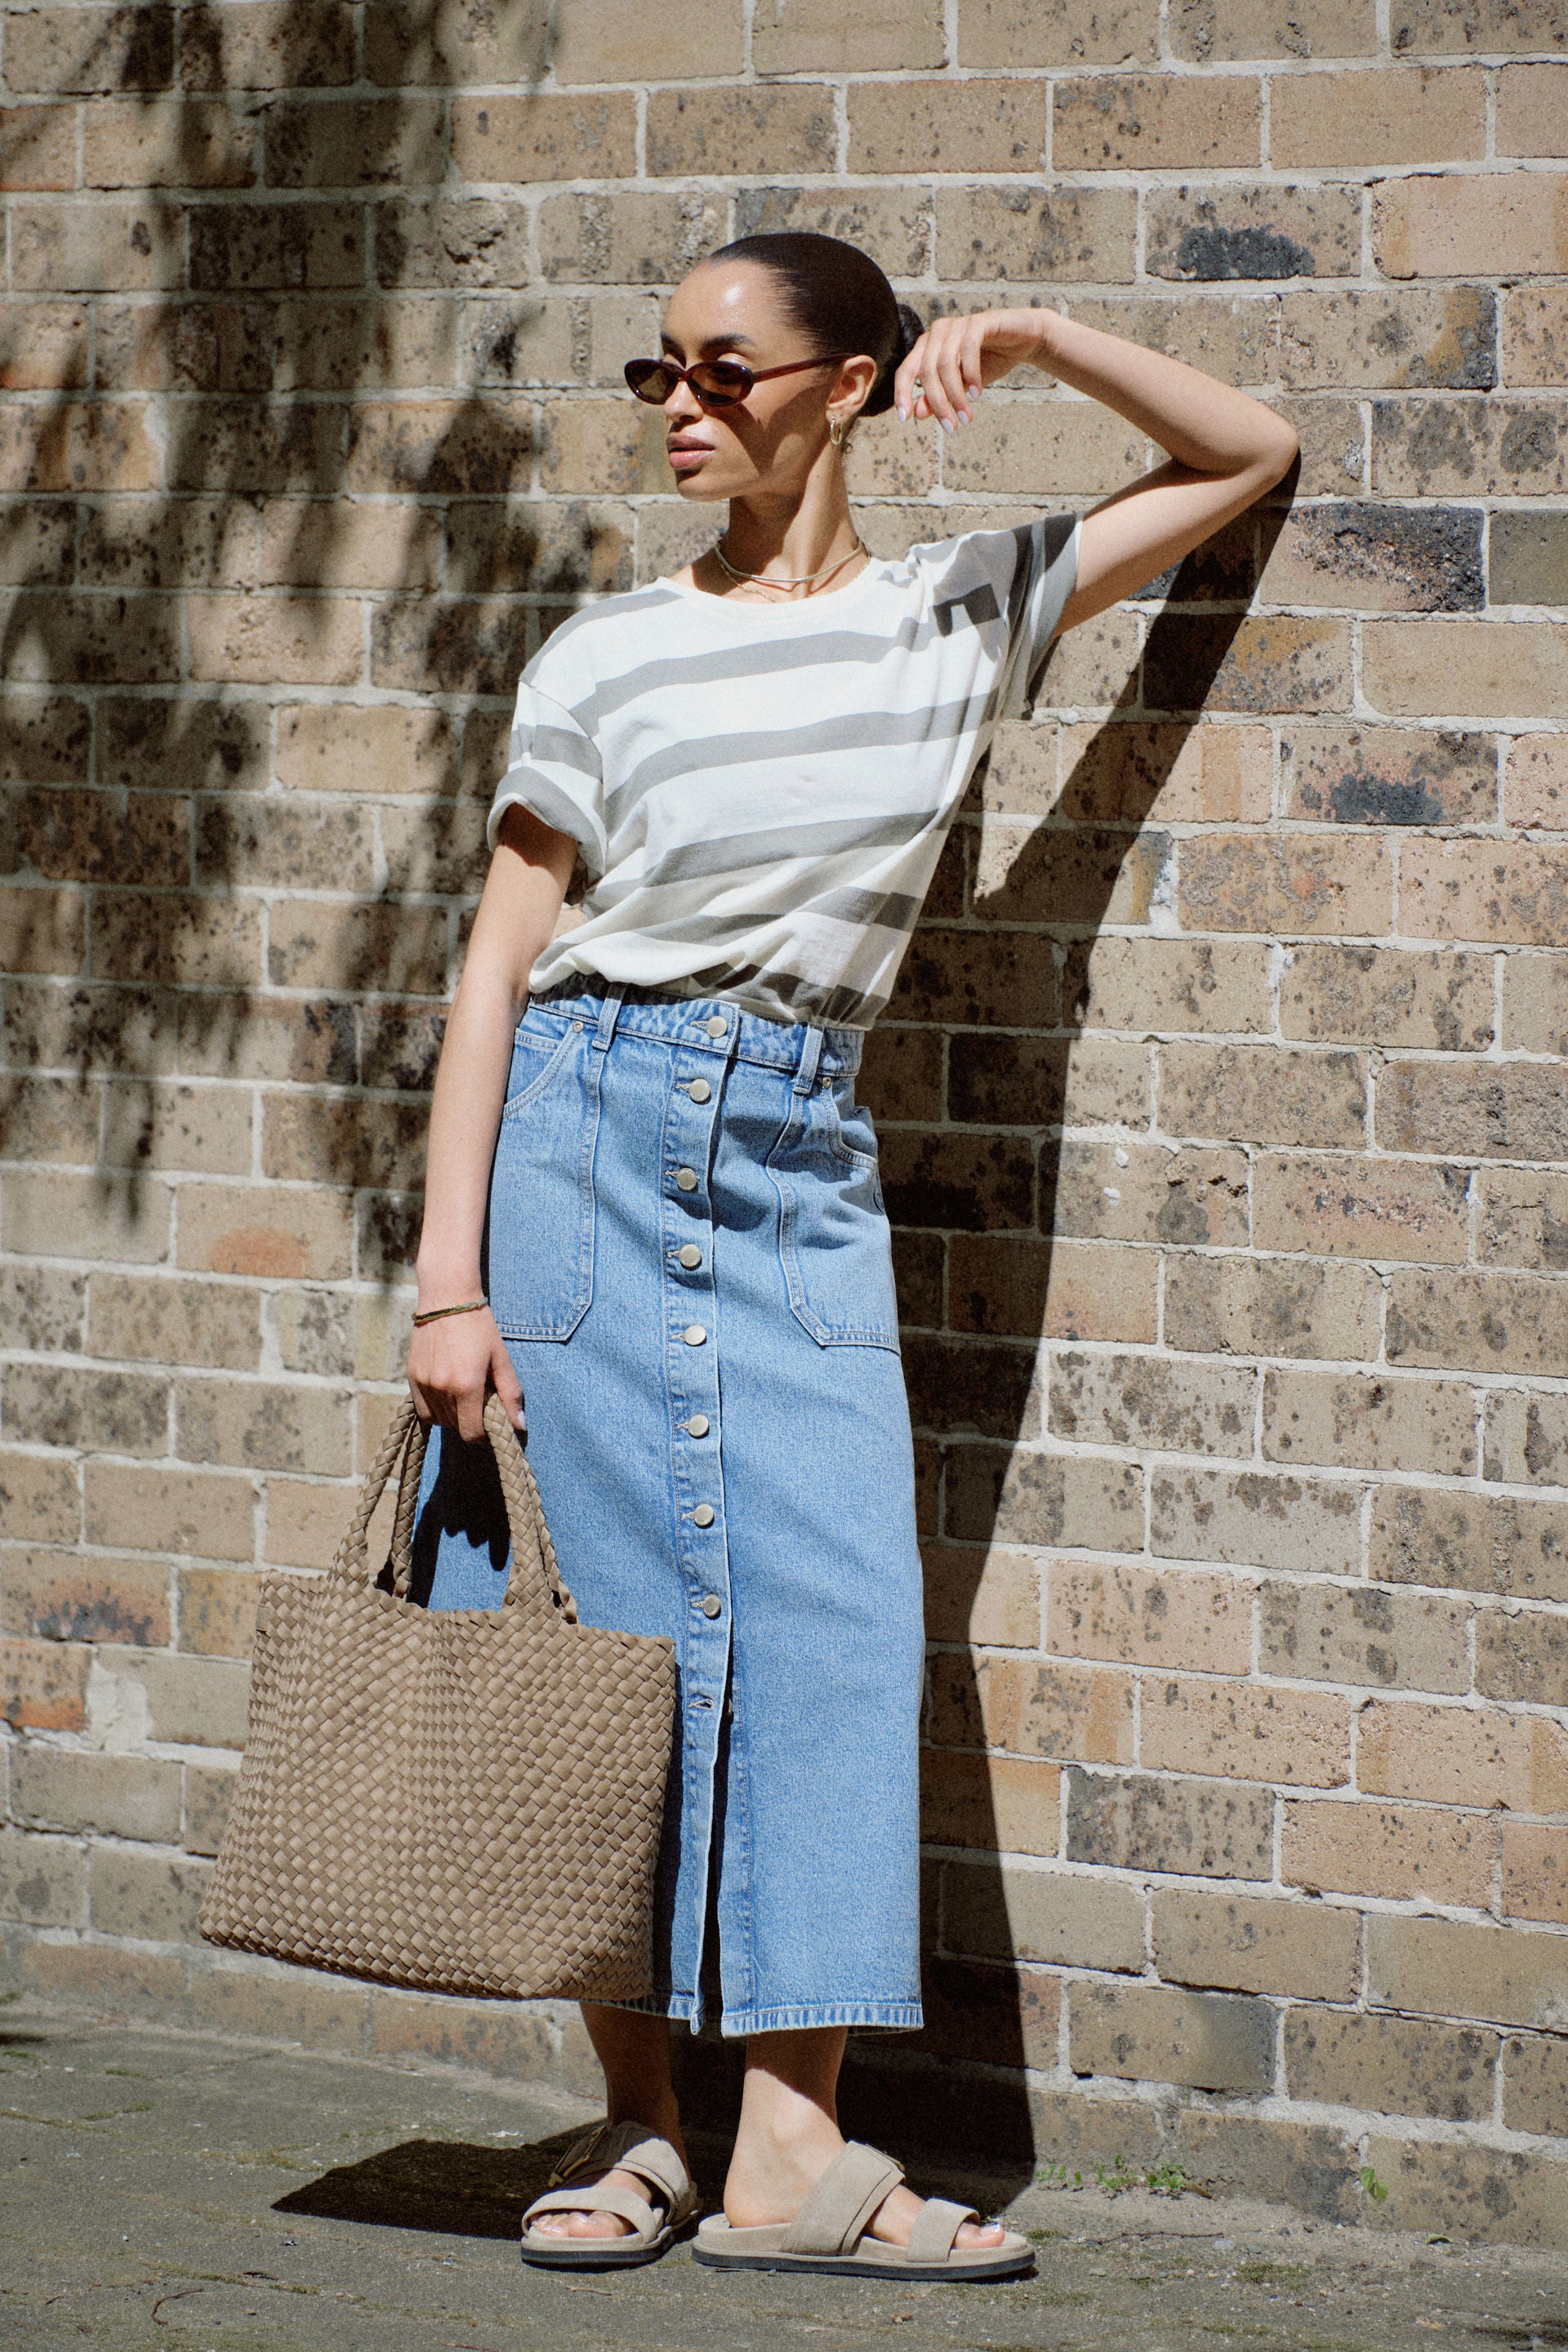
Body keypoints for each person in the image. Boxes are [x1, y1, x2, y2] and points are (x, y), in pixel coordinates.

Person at [404, 231, 1297, 2280]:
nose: (685, 405)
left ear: (855, 381)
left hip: (796, 1150)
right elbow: (491, 974)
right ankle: (641, 2126)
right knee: (602, 1643)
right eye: (663, 374)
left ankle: (791, 2156)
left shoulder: (956, 608)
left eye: (727, 369)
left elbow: (1250, 450)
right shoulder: (605, 653)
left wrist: (1051, 335)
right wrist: (449, 1277)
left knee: (826, 1628)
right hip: (587, 1136)